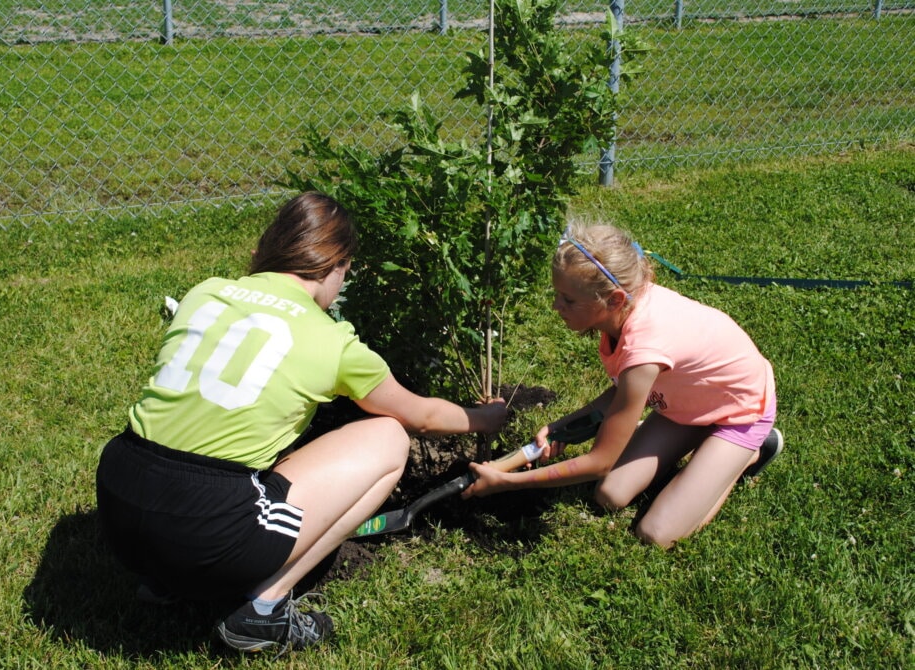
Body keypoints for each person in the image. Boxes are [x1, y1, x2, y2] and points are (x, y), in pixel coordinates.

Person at [95, 192, 506, 654]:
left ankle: (164, 580)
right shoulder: (331, 341)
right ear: (335, 266)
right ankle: (262, 612)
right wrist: (485, 416)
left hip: (118, 505)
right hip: (206, 527)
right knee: (389, 437)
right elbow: (424, 417)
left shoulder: (205, 292)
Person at [462, 222, 782, 548]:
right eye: (557, 294)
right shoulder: (622, 311)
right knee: (610, 494)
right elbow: (621, 391)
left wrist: (509, 481)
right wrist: (560, 427)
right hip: (688, 404)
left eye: (568, 300)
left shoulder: (644, 349)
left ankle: (748, 453)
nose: (557, 306)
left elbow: (600, 461)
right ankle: (707, 447)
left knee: (657, 534)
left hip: (740, 411)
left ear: (614, 299)